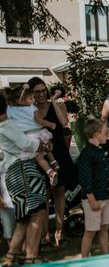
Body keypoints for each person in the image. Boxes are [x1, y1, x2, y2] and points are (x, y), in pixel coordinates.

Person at [29, 77, 77, 248]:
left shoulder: (57, 104)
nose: (41, 94)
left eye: (43, 90)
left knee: (60, 193)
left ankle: (59, 231)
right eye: (37, 91)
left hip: (58, 152)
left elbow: (64, 122)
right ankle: (45, 236)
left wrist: (54, 100)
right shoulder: (29, 109)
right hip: (38, 154)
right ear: (31, 93)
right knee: (44, 195)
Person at [0, 93, 48, 264]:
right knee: (38, 210)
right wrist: (42, 144)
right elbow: (25, 143)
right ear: (5, 104)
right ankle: (31, 256)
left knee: (25, 216)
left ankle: (13, 253)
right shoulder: (6, 125)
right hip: (22, 168)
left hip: (12, 171)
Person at [5, 85, 59, 186]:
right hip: (38, 133)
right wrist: (51, 124)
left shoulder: (10, 109)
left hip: (26, 137)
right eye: (31, 98)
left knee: (39, 159)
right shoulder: (32, 108)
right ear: (21, 100)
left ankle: (50, 172)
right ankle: (53, 163)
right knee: (45, 151)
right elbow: (39, 121)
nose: (34, 100)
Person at [77, 119, 109, 258]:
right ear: (97, 135)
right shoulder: (86, 155)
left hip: (105, 196)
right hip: (94, 199)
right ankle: (84, 259)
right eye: (105, 133)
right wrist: (91, 200)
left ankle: (105, 257)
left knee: (104, 229)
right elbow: (85, 180)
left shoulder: (100, 150)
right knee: (90, 231)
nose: (107, 135)